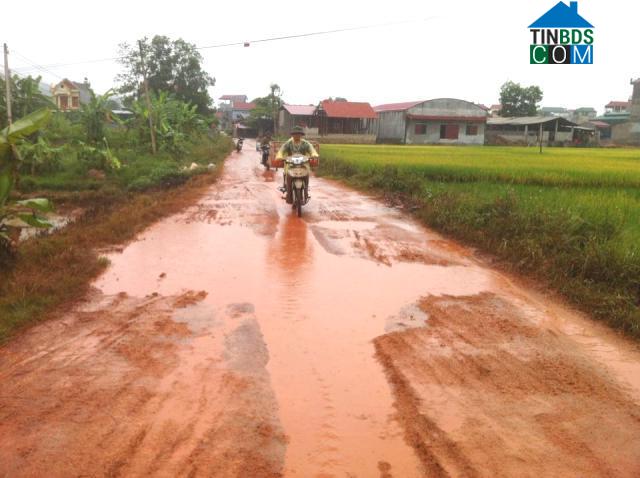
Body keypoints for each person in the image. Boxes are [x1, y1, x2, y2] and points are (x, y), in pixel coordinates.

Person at [276, 126, 319, 203]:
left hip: (303, 164)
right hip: (290, 164)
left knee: (306, 175)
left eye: (298, 134)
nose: (297, 135)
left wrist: (314, 154)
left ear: (301, 135)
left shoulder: (305, 143)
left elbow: (311, 149)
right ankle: (288, 194)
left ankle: (306, 192)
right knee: (288, 174)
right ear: (292, 135)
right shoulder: (288, 143)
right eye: (295, 134)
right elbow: (281, 150)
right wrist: (279, 156)